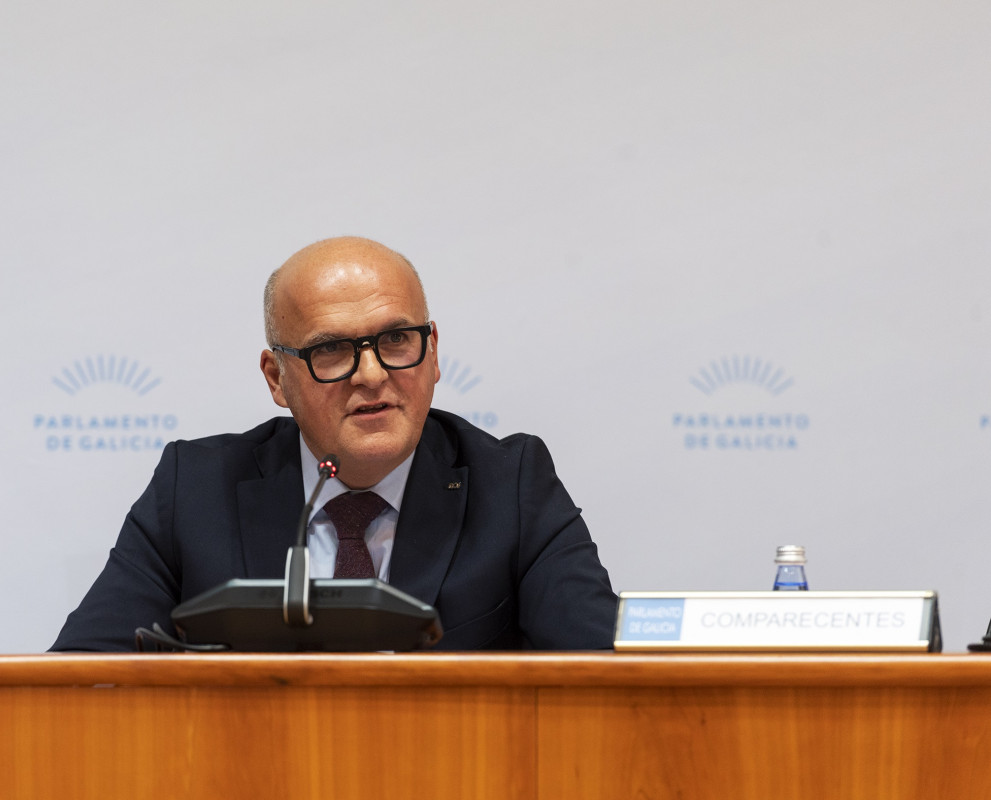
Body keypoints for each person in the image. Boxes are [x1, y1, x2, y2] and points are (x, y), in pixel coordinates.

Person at [51, 236, 617, 651]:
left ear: (434, 351)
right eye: (332, 351)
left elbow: (603, 671)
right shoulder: (196, 489)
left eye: (396, 339)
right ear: (277, 379)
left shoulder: (512, 484)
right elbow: (83, 674)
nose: (371, 374)